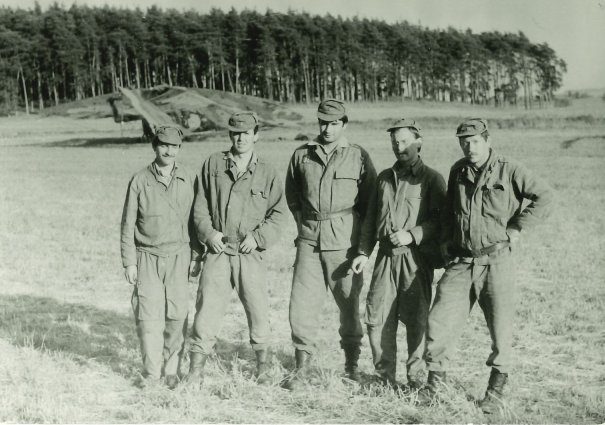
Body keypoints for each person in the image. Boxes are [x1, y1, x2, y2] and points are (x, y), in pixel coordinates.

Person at [418, 118, 554, 412]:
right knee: (439, 321)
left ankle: (495, 391)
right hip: (461, 261)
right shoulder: (458, 171)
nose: (470, 147)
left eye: (475, 141)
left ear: (487, 140)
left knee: (500, 328)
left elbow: (545, 196)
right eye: (464, 142)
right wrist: (446, 240)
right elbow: (449, 211)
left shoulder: (510, 169)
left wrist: (517, 226)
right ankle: (435, 384)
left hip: (497, 261)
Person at [183, 112, 287, 386]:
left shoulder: (267, 172)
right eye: (236, 133)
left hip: (249, 253)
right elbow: (199, 207)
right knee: (206, 310)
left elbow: (278, 214)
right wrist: (209, 234)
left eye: (246, 133)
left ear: (256, 135)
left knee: (258, 309)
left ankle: (263, 368)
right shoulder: (213, 164)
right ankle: (195, 370)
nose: (241, 138)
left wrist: (258, 237)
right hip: (218, 251)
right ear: (230, 135)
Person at [284, 99, 377, 390]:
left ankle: (351, 367)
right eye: (323, 123)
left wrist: (362, 248)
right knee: (301, 306)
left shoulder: (358, 156)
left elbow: (370, 205)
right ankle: (301, 368)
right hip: (309, 242)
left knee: (349, 306)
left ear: (344, 124)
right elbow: (293, 196)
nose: (328, 129)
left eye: (334, 123)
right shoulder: (302, 155)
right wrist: (303, 227)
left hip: (344, 244)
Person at [351, 119, 446, 390]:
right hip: (385, 258)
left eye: (404, 141)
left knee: (417, 321)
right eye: (395, 142)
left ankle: (416, 380)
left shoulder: (432, 179)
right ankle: (385, 379)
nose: (399, 147)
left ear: (419, 142)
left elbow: (441, 221)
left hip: (415, 260)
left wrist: (412, 234)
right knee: (377, 319)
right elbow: (371, 219)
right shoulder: (383, 178)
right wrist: (363, 252)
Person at [120, 125, 203, 389]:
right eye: (164, 145)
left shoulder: (189, 178)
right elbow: (127, 224)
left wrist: (196, 255)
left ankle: (171, 371)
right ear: (154, 146)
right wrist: (129, 262)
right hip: (147, 257)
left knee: (177, 316)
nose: (169, 151)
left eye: (174, 146)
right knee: (148, 318)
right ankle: (152, 374)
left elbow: (196, 221)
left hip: (179, 256)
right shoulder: (140, 180)